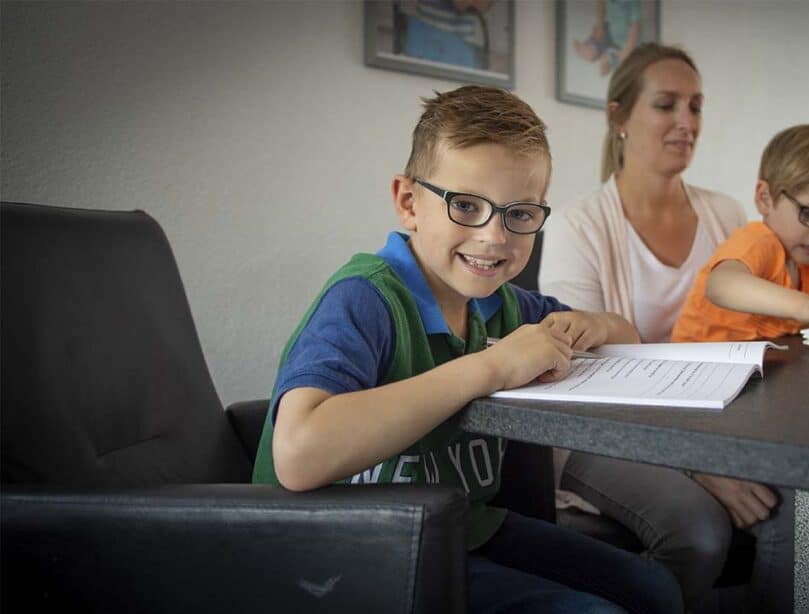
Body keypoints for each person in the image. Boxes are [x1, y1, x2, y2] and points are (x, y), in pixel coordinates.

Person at [251, 85, 684, 614]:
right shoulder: (365, 298)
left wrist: (591, 323)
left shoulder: (504, 305)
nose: (493, 237)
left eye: (520, 214)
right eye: (466, 206)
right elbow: (297, 455)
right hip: (345, 552)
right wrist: (492, 367)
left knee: (655, 591)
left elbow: (628, 338)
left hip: (461, 528)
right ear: (409, 202)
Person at [539, 42, 794, 613]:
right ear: (618, 115)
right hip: (597, 432)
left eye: (696, 106)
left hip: (718, 422)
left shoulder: (727, 214)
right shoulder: (581, 224)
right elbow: (580, 373)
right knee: (700, 533)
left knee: (808, 511)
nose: (687, 123)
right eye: (667, 105)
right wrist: (697, 465)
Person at [672, 123, 809, 343]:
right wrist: (805, 305)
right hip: (694, 370)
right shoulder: (759, 240)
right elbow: (720, 285)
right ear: (765, 199)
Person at [572, 0, 642, 77]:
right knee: (591, 52)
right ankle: (592, 51)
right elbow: (600, 4)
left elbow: (635, 26)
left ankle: (609, 62)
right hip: (610, 31)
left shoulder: (632, 2)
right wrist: (600, 25)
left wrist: (627, 49)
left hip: (624, 42)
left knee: (614, 59)